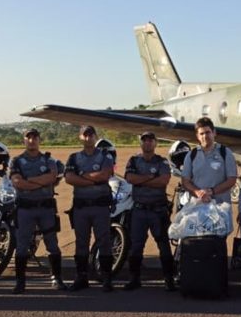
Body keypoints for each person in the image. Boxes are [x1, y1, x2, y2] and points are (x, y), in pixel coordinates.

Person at [9, 127, 68, 293]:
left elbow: (51, 177)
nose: (32, 140)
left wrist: (29, 181)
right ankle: (20, 282)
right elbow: (17, 182)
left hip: (45, 208)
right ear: (24, 140)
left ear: (39, 140)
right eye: (28, 137)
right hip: (25, 209)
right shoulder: (17, 161)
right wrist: (40, 182)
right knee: (21, 246)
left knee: (52, 245)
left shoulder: (49, 160)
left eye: (35, 137)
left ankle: (56, 278)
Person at [123, 131, 177, 290]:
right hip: (139, 210)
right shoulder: (133, 160)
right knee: (136, 246)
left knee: (164, 245)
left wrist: (141, 179)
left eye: (150, 140)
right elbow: (130, 178)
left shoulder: (162, 161)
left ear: (155, 143)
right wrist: (151, 178)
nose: (147, 143)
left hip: (158, 210)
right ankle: (134, 278)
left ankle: (169, 278)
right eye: (144, 140)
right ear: (141, 143)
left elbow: (163, 181)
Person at [65, 125, 116, 291]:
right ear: (80, 137)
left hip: (100, 206)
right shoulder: (74, 157)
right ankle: (82, 278)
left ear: (96, 136)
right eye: (85, 135)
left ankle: (107, 278)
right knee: (81, 243)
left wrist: (83, 176)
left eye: (91, 135)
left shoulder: (105, 156)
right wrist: (94, 180)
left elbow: (106, 174)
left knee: (104, 242)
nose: (88, 138)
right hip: (81, 207)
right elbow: (70, 178)